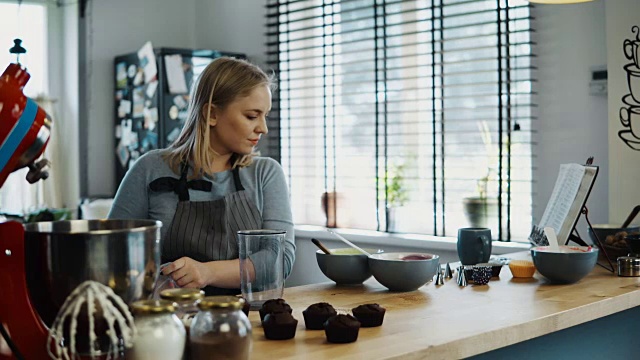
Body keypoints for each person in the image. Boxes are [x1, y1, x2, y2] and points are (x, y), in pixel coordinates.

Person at [108, 57, 295, 295]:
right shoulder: (149, 169)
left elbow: (279, 260)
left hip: (249, 319)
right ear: (211, 114)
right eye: (251, 116)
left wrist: (206, 273)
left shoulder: (265, 173)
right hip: (168, 320)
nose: (263, 128)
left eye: (265, 115)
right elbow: (113, 252)